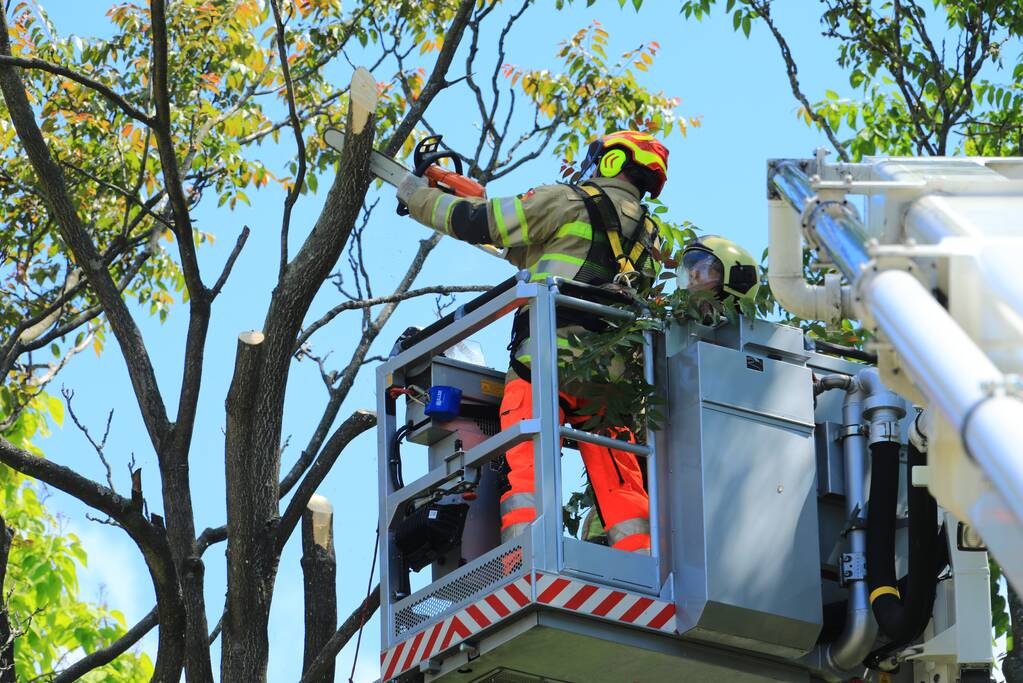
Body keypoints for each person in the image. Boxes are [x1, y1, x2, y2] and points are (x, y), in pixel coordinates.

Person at [396, 130, 669, 554]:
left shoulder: (567, 200)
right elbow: (544, 251)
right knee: (621, 481)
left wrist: (418, 198)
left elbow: (478, 224)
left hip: (545, 360)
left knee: (528, 467)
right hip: (612, 380)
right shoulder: (651, 237)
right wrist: (476, 194)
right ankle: (638, 561)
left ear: (612, 163)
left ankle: (525, 564)